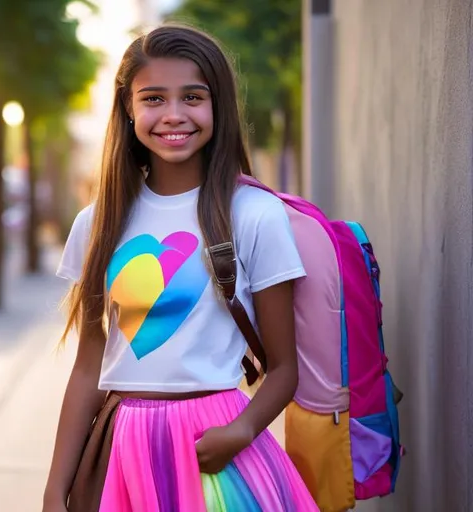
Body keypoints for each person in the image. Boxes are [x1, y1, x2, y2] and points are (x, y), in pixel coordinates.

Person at [43, 24, 318, 512]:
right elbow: (88, 370)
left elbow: (283, 370)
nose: (174, 115)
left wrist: (240, 432)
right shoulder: (97, 223)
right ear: (128, 109)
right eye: (153, 99)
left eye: (193, 96)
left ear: (219, 106)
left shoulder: (255, 215)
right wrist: (53, 490)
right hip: (119, 450)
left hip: (215, 448)